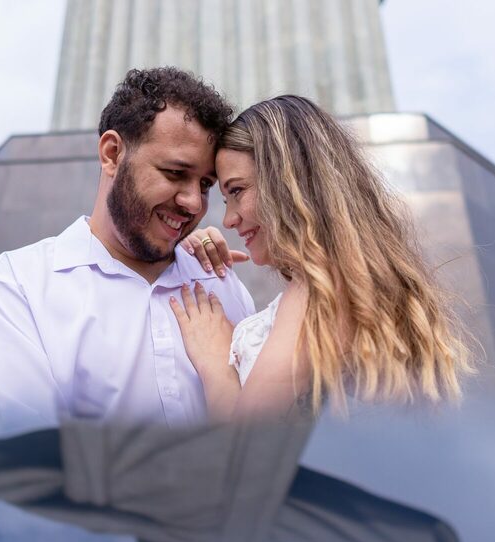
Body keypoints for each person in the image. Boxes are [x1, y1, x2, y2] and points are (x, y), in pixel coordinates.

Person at [0, 67, 256, 431]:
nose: (194, 203)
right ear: (112, 153)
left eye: (205, 184)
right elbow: (31, 459)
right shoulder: (15, 287)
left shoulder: (223, 286)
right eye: (174, 173)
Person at [172, 95, 474, 425]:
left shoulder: (321, 291)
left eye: (238, 191)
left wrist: (216, 362)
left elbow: (244, 446)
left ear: (287, 182)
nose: (228, 219)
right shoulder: (356, 282)